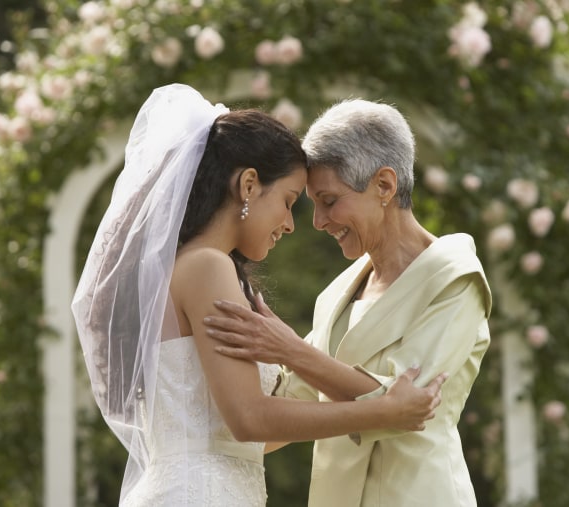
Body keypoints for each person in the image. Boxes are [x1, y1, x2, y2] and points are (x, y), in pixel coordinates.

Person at [71, 84, 447, 506]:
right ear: (249, 185)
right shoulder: (206, 267)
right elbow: (249, 419)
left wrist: (294, 352)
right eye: (288, 201)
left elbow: (244, 432)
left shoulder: (191, 268)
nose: (290, 224)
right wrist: (383, 412)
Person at [204, 98, 493, 506]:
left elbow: (406, 405)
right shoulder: (336, 295)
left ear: (384, 186)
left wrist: (289, 348)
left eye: (329, 200)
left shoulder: (456, 279)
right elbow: (289, 410)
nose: (319, 221)